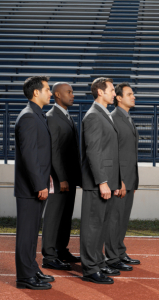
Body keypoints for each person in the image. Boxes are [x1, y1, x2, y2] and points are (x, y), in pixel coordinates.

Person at [80, 77, 127, 284]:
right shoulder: (92, 116)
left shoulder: (103, 114)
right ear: (100, 92)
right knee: (93, 226)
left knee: (101, 225)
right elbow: (94, 152)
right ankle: (90, 269)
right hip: (98, 182)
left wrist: (114, 180)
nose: (113, 94)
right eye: (109, 90)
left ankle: (98, 262)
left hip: (107, 180)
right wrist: (102, 182)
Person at [14, 76, 54, 290]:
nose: (50, 93)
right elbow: (29, 156)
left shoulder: (36, 115)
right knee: (27, 234)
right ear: (36, 92)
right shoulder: (29, 117)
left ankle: (31, 268)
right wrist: (40, 185)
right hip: (31, 187)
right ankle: (25, 277)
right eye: (47, 89)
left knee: (32, 234)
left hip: (36, 184)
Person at [42, 83, 82, 271]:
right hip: (60, 179)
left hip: (70, 178)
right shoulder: (51, 117)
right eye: (69, 92)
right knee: (53, 216)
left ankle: (61, 250)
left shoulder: (66, 115)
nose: (72, 95)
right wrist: (62, 178)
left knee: (66, 216)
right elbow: (54, 150)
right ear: (57, 95)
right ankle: (49, 256)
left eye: (72, 92)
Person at [110, 82, 140, 265]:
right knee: (115, 219)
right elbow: (115, 153)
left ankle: (120, 251)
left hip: (129, 179)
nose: (133, 96)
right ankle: (112, 256)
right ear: (119, 98)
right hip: (120, 179)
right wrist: (119, 180)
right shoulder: (114, 118)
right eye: (130, 94)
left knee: (123, 219)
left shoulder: (127, 117)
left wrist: (133, 180)